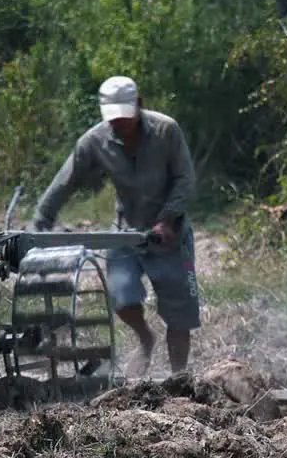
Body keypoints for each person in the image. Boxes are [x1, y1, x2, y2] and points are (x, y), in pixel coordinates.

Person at [31, 75, 201, 377]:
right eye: (113, 119)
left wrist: (167, 219)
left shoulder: (166, 130)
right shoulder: (96, 140)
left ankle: (179, 378)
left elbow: (185, 179)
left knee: (179, 316)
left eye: (124, 117)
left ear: (139, 105)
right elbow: (65, 180)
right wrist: (40, 223)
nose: (119, 125)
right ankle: (145, 338)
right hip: (126, 233)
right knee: (122, 298)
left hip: (169, 235)